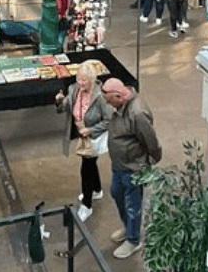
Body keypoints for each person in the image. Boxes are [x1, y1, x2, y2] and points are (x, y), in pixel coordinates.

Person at [101, 78, 162, 259]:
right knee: (116, 193)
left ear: (119, 96)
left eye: (110, 101)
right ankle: (128, 228)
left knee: (132, 204)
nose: (109, 106)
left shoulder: (137, 113)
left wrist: (149, 161)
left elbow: (150, 140)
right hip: (120, 165)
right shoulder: (121, 107)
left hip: (133, 167)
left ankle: (133, 240)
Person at [55, 62, 113, 222]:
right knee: (90, 163)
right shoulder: (74, 89)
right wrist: (60, 102)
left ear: (92, 80)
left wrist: (91, 130)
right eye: (79, 79)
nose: (81, 83)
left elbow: (109, 120)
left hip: (92, 137)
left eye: (84, 80)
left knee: (86, 169)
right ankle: (96, 189)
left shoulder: (100, 97)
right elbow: (65, 107)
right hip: (81, 135)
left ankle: (86, 205)